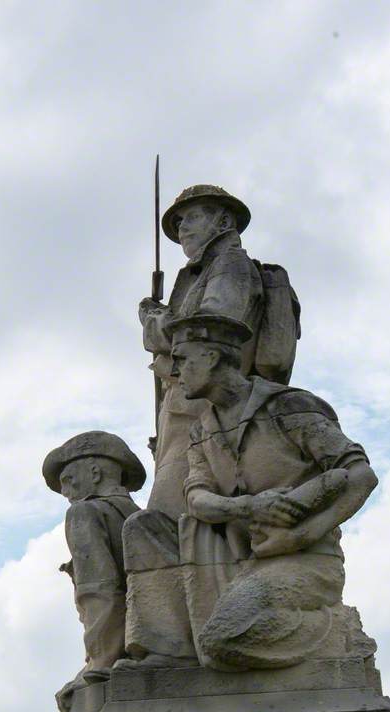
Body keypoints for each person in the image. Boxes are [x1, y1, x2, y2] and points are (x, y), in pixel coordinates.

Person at [122, 313, 377, 671]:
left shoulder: (289, 406)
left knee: (222, 639)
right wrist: (248, 506)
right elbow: (197, 497)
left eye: (181, 358)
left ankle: (337, 632)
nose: (175, 371)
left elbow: (361, 475)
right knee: (142, 526)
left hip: (301, 562)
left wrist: (303, 533)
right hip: (233, 555)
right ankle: (168, 648)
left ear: (211, 356)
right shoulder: (201, 430)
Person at [139, 184, 298, 519]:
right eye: (179, 221)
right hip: (189, 403)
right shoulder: (206, 271)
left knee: (165, 515)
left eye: (192, 217)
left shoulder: (229, 264)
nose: (182, 228)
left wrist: (153, 323)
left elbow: (211, 333)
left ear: (223, 223)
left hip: (203, 404)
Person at [41, 432, 145, 712]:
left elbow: (98, 591)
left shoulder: (84, 512)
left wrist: (98, 664)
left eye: (68, 480)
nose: (66, 492)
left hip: (112, 665)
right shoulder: (141, 516)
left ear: (95, 472)